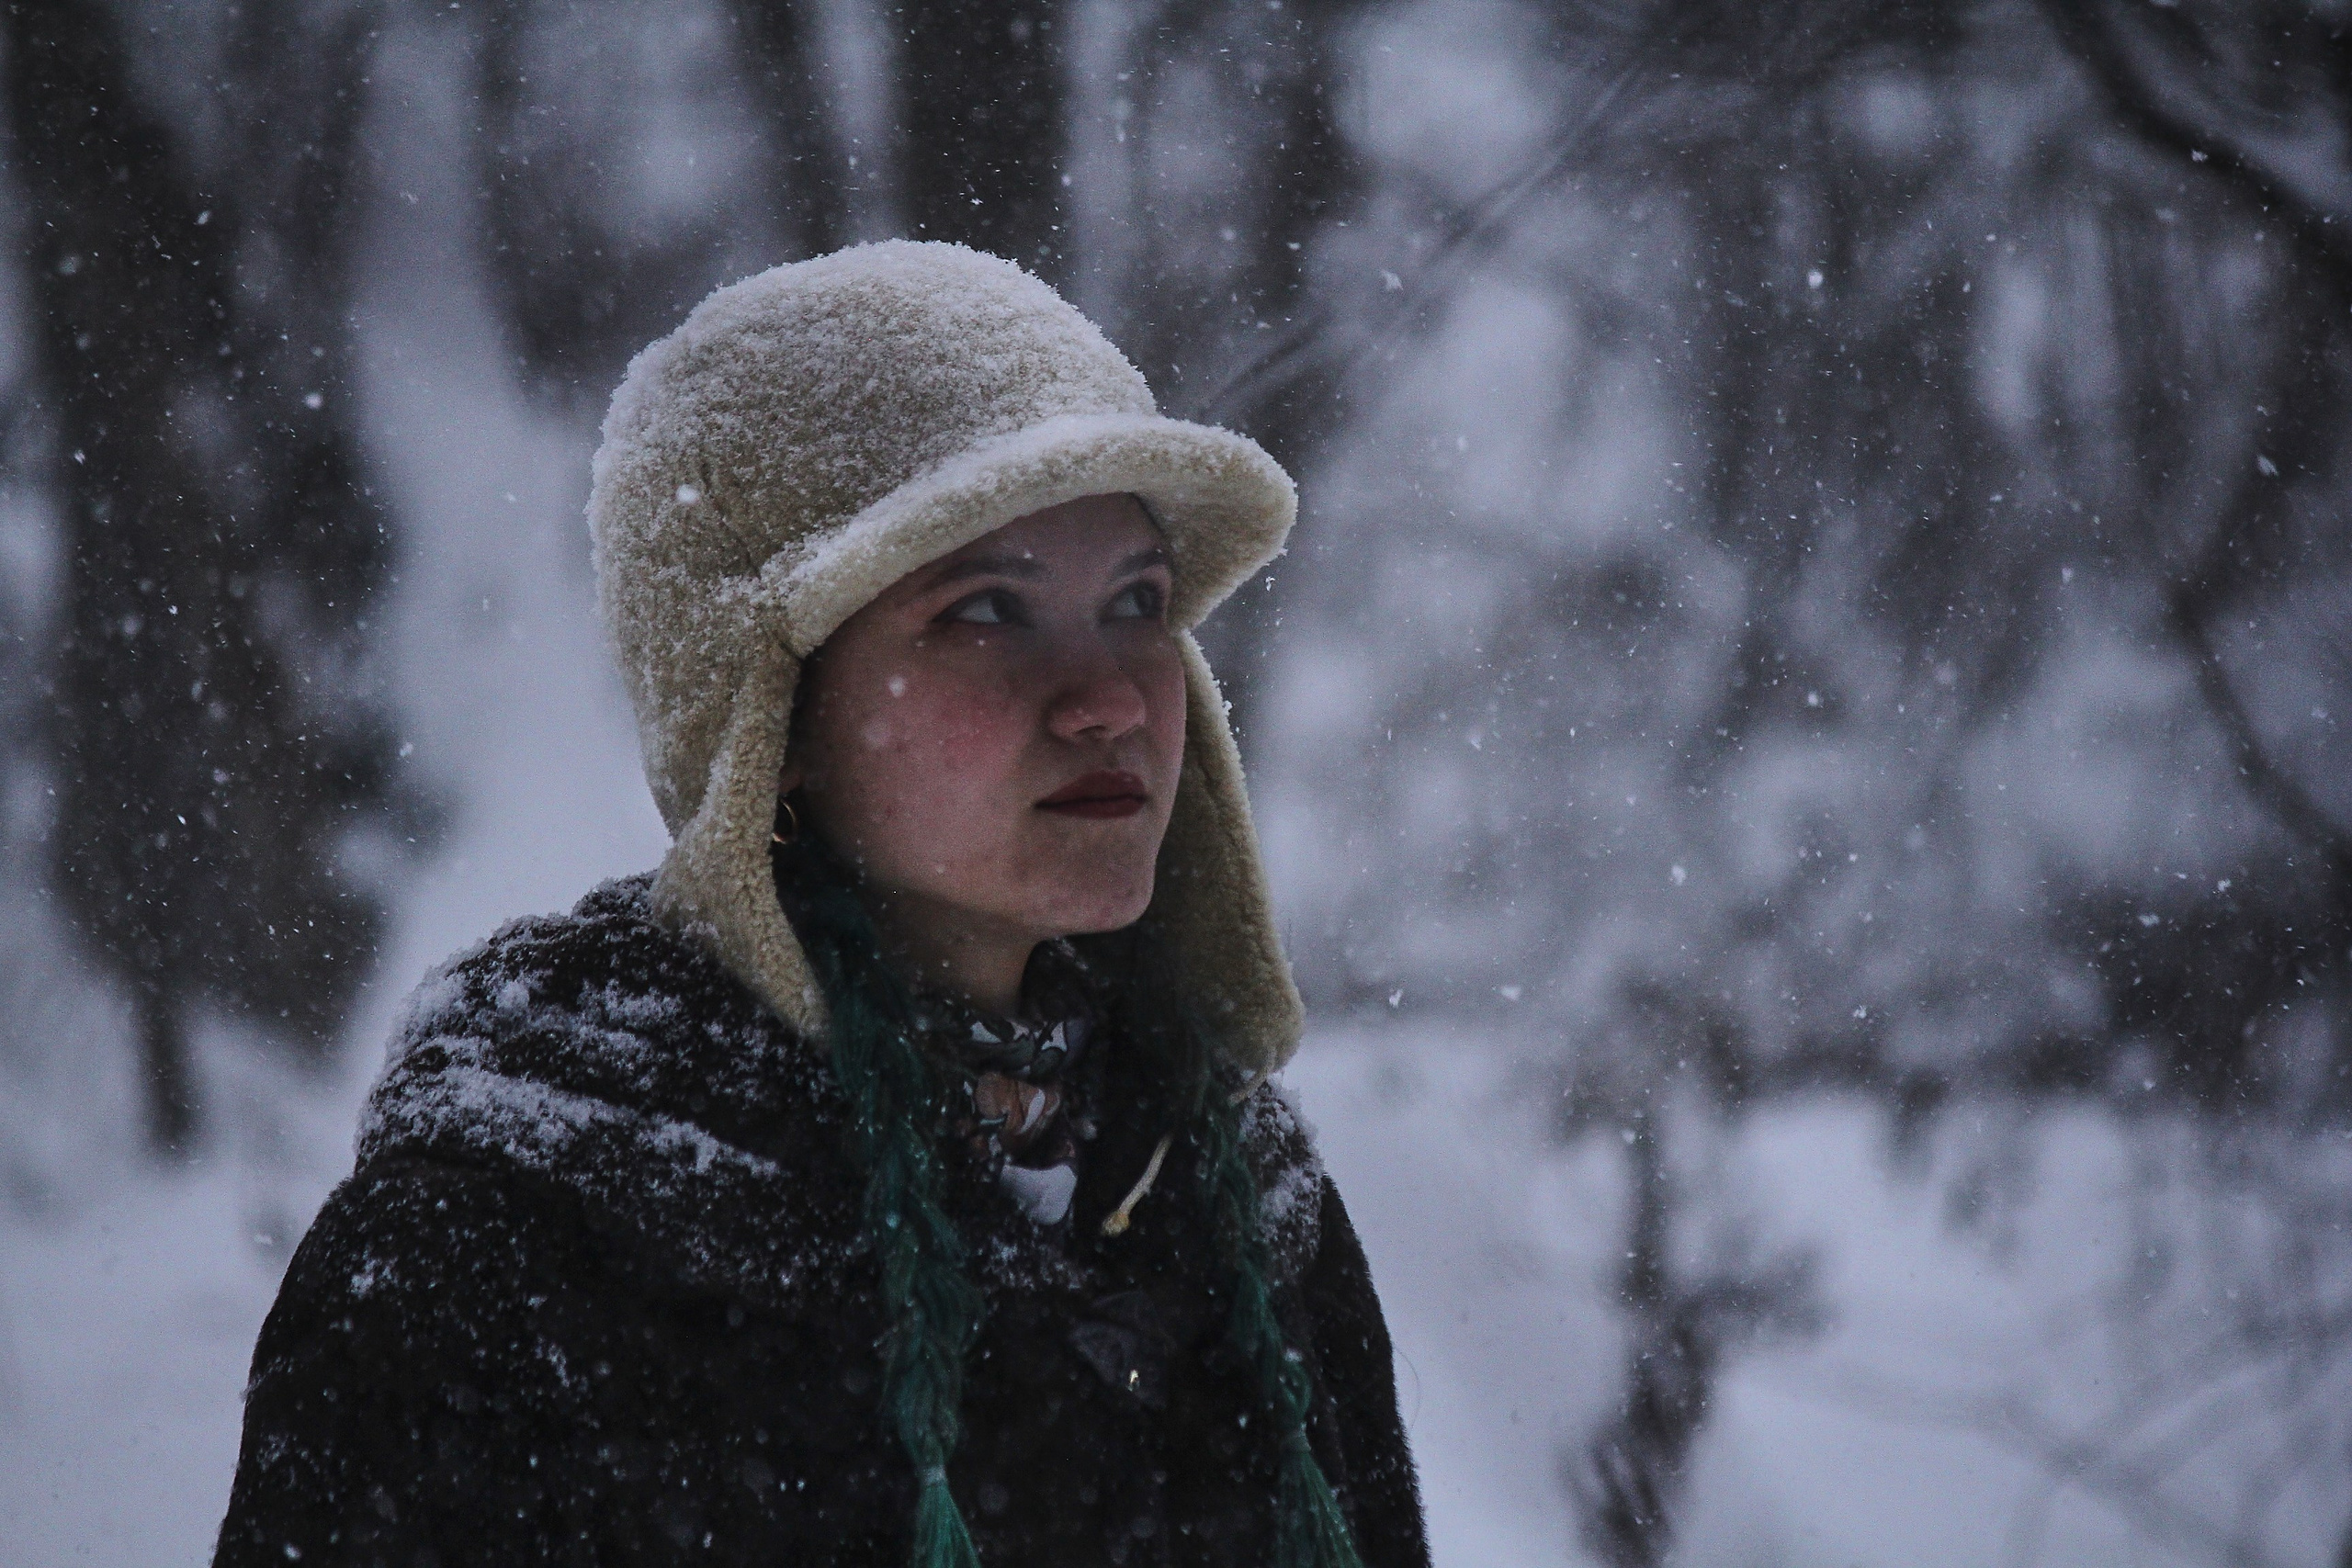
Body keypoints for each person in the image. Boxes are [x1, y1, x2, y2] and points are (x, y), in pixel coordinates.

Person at [212, 241, 1429, 1568]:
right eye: (987, 610)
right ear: (770, 719)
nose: (1115, 698)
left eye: (1136, 601)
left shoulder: (1236, 1212)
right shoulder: (507, 1254)